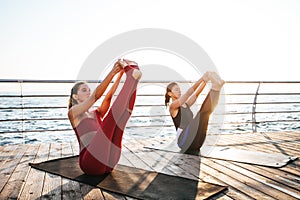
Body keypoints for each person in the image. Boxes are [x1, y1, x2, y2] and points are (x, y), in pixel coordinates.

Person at [68, 59, 142, 175]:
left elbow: (108, 97)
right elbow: (95, 96)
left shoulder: (96, 113)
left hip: (108, 163)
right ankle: (131, 75)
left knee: (122, 119)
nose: (88, 92)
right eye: (84, 90)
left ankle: (133, 79)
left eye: (89, 90)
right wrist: (112, 72)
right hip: (89, 163)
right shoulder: (73, 113)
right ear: (76, 96)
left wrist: (119, 75)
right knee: (112, 118)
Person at [165, 71, 224, 155]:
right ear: (170, 93)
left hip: (195, 142)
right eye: (176, 90)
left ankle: (216, 89)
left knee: (206, 115)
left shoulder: (186, 104)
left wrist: (206, 81)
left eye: (179, 89)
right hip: (183, 141)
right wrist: (202, 78)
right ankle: (215, 87)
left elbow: (196, 94)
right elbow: (188, 94)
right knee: (202, 114)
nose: (179, 91)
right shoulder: (173, 107)